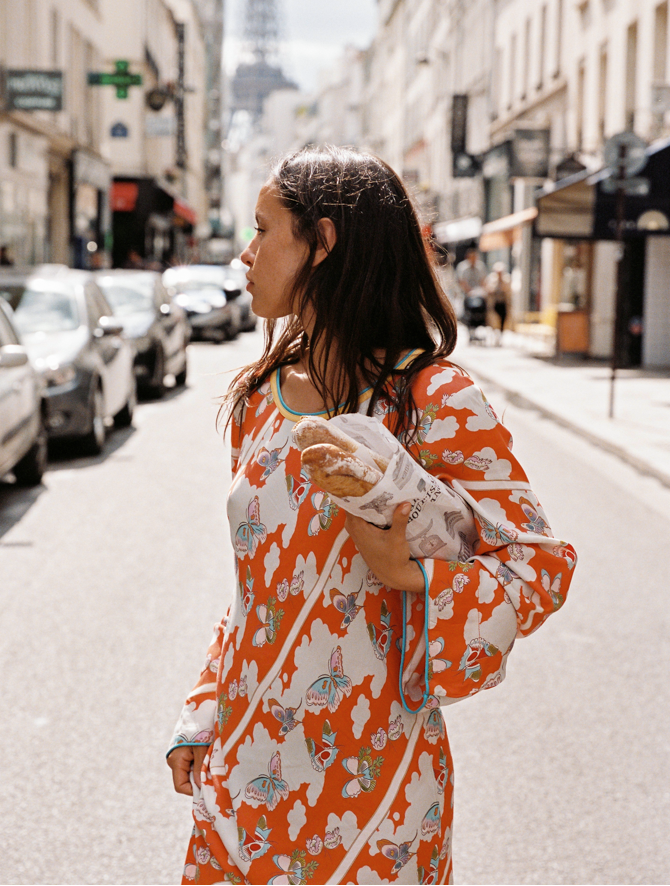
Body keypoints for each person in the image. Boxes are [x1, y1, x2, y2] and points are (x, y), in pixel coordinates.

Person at [167, 147, 576, 885]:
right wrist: (202, 710)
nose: (244, 254)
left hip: (375, 794)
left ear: (322, 243)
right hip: (243, 775)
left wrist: (410, 574)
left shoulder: (437, 398)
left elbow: (538, 564)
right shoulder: (259, 399)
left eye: (265, 231)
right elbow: (258, 590)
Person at [486, 261, 512, 344]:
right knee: (493, 320)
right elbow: (488, 289)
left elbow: (509, 291)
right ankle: (494, 334)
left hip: (503, 302)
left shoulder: (507, 278)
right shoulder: (491, 278)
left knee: (503, 319)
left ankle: (500, 335)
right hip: (494, 303)